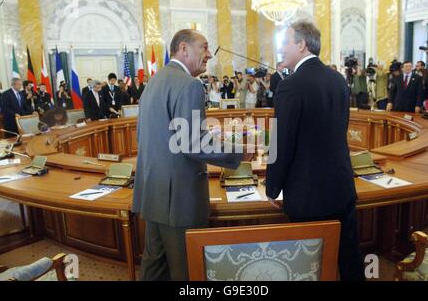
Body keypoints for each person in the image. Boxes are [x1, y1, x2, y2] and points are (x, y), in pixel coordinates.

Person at [133, 29, 245, 281]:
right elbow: (193, 143)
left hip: (154, 191)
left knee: (154, 268)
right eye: (204, 48)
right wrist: (240, 152)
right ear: (184, 49)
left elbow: (144, 135)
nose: (209, 55)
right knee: (186, 271)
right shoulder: (189, 85)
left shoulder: (155, 80)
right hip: (179, 200)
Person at [265, 21, 365, 281]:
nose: (281, 49)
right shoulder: (338, 80)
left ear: (301, 44)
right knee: (349, 261)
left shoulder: (290, 85)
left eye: (285, 42)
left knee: (308, 266)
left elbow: (280, 142)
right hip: (342, 187)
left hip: (308, 194)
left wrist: (272, 186)